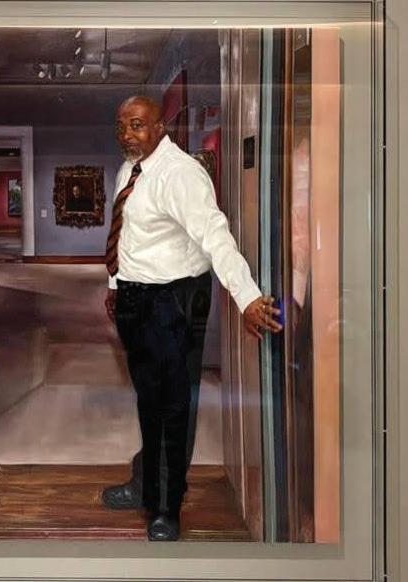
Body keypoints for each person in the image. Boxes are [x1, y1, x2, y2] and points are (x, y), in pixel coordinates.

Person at [103, 95, 282, 541]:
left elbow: (215, 236)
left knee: (173, 405)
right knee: (148, 399)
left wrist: (247, 298)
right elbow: (126, 235)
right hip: (134, 296)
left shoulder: (181, 174)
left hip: (173, 300)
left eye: (137, 125)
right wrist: (115, 286)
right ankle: (146, 485)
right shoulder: (130, 170)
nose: (127, 134)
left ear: (160, 127)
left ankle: (167, 507)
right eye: (122, 126)